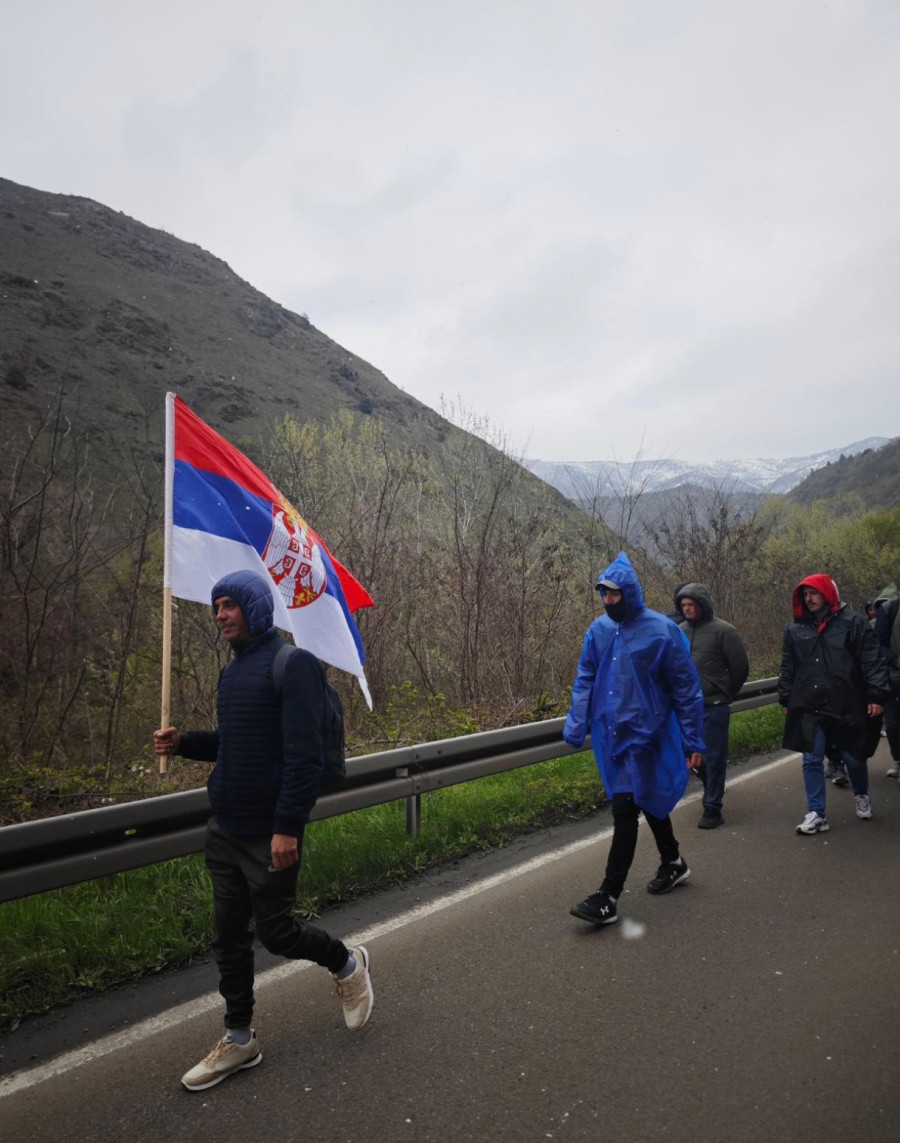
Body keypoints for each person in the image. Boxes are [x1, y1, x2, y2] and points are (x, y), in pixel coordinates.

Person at [153, 569, 373, 1092]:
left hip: (268, 832)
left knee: (276, 933)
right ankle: (239, 1038)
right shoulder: (232, 674)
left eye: (230, 605)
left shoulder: (292, 665)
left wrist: (287, 828)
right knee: (229, 939)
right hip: (225, 828)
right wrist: (184, 742)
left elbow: (301, 757)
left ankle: (347, 962)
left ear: (255, 607)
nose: (221, 615)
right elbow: (234, 744)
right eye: (216, 608)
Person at [563, 552, 705, 927]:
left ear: (628, 592)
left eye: (612, 594)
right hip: (613, 738)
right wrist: (577, 723)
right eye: (602, 594)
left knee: (626, 809)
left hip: (650, 737)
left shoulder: (662, 631)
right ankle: (673, 861)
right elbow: (586, 678)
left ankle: (607, 896)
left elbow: (686, 690)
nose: (607, 600)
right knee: (643, 801)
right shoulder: (598, 631)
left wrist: (693, 741)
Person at [779, 574, 888, 835]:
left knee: (853, 756)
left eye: (813, 593)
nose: (809, 599)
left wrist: (875, 695)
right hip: (809, 703)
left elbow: (871, 660)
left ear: (828, 594)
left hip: (847, 702)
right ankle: (817, 813)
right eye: (805, 595)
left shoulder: (854, 624)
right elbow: (788, 666)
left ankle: (861, 794)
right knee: (811, 759)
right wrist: (786, 697)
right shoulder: (795, 630)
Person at [674, 584, 750, 829]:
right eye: (683, 605)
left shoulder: (724, 631)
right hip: (685, 708)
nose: (686, 609)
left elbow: (740, 668)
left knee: (713, 756)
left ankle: (713, 808)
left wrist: (725, 693)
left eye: (690, 605)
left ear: (702, 605)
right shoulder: (678, 631)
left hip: (714, 704)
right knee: (690, 757)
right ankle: (712, 788)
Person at [873, 583, 900, 778]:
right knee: (892, 724)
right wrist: (896, 661)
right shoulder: (889, 610)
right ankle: (898, 759)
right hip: (893, 677)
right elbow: (879, 645)